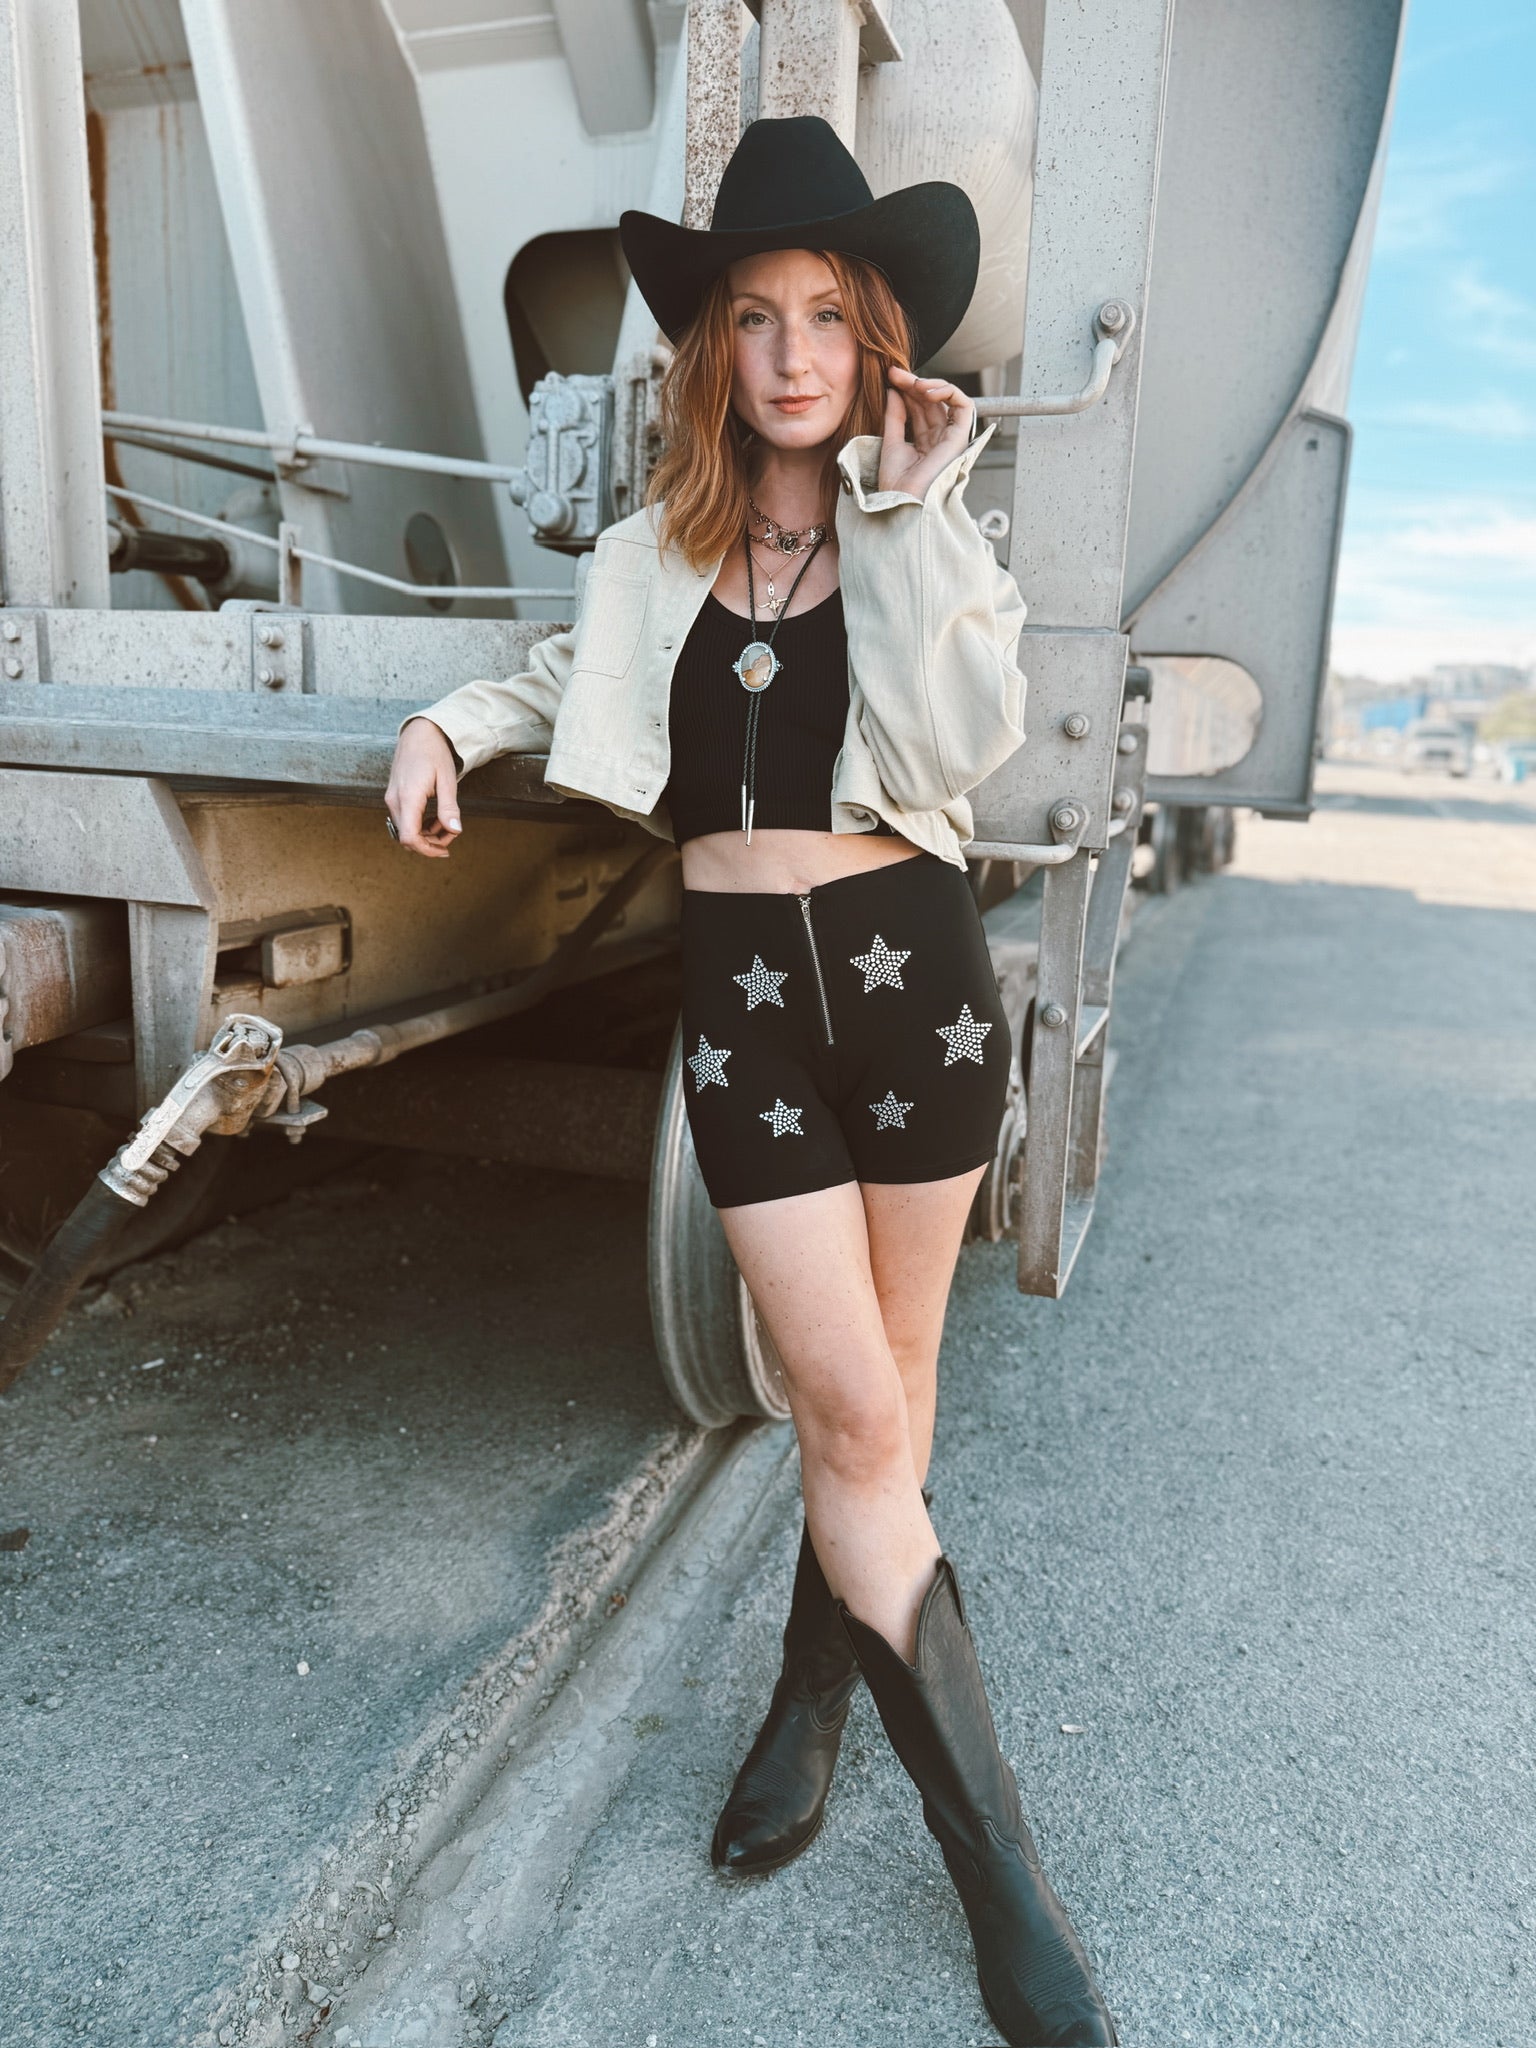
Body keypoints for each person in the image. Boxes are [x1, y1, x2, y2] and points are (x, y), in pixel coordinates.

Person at [386, 114, 1117, 2048]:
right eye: (755, 317)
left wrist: (913, 515)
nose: (792, 354)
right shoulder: (654, 553)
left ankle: (811, 1697)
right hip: (748, 1012)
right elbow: (573, 687)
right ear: (711, 347)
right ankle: (1006, 1890)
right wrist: (447, 720)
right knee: (849, 1412)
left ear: (878, 344)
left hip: (911, 985)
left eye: (827, 317)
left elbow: (962, 742)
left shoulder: (930, 533)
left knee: (890, 1405)